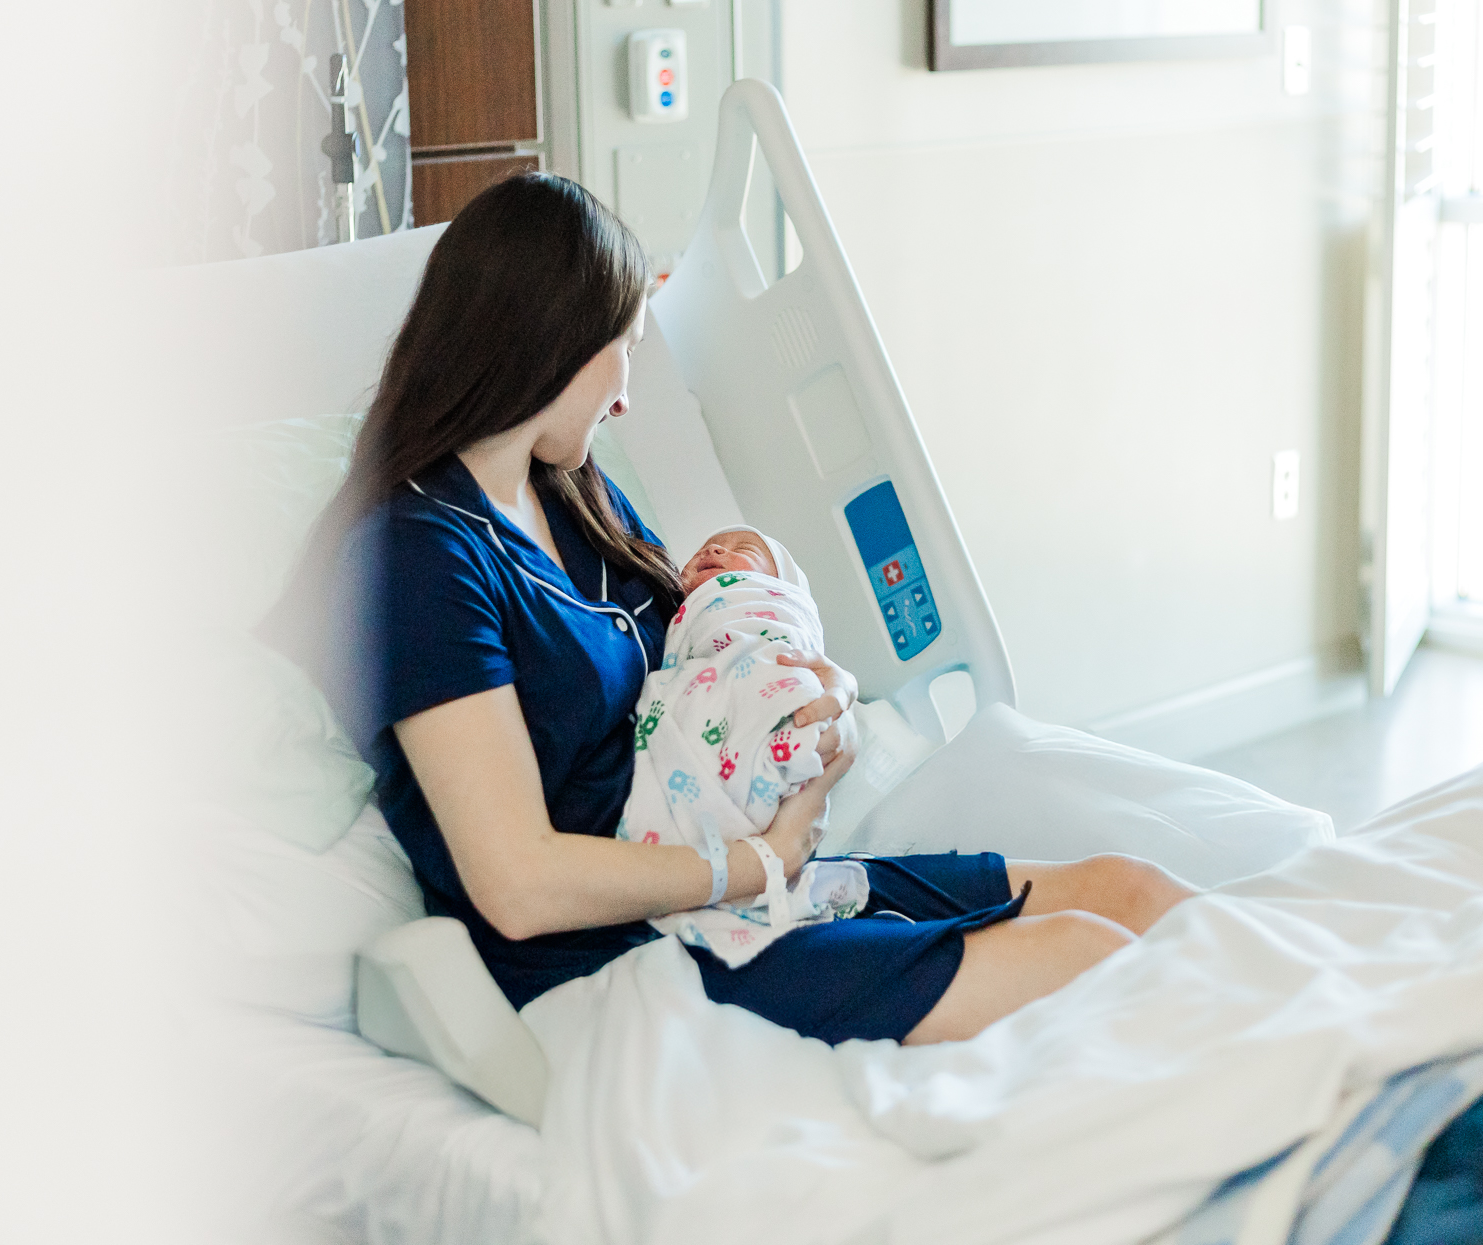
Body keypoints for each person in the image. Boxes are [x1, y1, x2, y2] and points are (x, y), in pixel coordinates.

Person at [269, 172, 1195, 1047]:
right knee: (1092, 960)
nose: (627, 390)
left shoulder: (569, 489)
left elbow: (711, 642)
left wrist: (817, 689)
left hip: (737, 884)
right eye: (621, 347)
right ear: (551, 340)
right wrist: (756, 862)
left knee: (1132, 892)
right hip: (620, 947)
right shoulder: (415, 558)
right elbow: (516, 884)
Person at [619, 526, 870, 969]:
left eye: (745, 550)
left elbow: (784, 644)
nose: (715, 549)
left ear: (780, 586)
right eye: (706, 547)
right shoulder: (665, 611)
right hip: (704, 686)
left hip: (774, 676)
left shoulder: (773, 606)